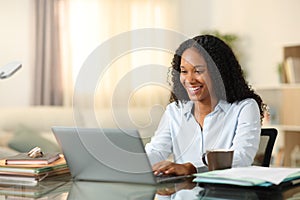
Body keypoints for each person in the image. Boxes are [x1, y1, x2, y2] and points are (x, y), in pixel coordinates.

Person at [145, 34, 266, 176]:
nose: (189, 79)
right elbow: (157, 151)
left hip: (223, 194)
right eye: (184, 71)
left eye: (198, 71)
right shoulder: (175, 111)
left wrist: (191, 167)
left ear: (218, 72)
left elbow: (241, 157)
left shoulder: (244, 108)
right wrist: (130, 164)